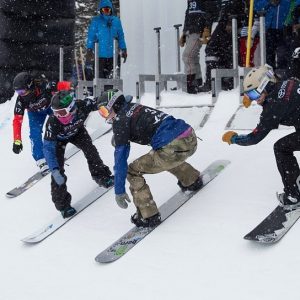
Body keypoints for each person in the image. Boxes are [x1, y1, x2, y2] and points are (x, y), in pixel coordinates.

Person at [97, 89, 203, 227]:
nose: (105, 117)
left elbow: (120, 161)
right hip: (189, 137)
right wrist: (121, 135)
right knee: (159, 156)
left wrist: (119, 190)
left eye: (105, 111)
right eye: (100, 113)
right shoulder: (134, 107)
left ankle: (148, 215)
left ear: (115, 105)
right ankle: (191, 180)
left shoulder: (120, 121)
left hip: (171, 147)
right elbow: (139, 122)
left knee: (132, 170)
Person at [222, 64, 300, 209]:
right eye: (249, 96)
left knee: (281, 148)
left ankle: (293, 195)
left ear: (264, 85)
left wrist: (234, 139)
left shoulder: (273, 107)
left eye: (254, 95)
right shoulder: (288, 81)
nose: (254, 100)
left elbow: (254, 138)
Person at [43, 90, 114, 218]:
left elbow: (101, 101)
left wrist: (118, 100)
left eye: (62, 112)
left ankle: (101, 176)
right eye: (55, 113)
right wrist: (54, 170)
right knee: (58, 172)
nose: (59, 116)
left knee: (91, 151)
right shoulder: (53, 122)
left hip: (78, 132)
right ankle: (63, 205)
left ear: (71, 108)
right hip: (59, 141)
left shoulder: (82, 106)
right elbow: (48, 148)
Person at [199, 0, 247, 92]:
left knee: (230, 50)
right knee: (211, 48)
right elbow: (210, 10)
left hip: (234, 23)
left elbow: (243, 9)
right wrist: (207, 27)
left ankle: (229, 81)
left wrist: (231, 21)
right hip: (221, 24)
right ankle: (211, 81)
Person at [12, 72, 55, 173]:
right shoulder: (21, 100)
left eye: (22, 91)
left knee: (59, 122)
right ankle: (41, 159)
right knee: (34, 134)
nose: (20, 94)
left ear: (30, 86)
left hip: (50, 107)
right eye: (18, 92)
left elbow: (61, 88)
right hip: (35, 114)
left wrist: (66, 86)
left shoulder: (43, 85)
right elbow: (17, 121)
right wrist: (17, 140)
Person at [86, 0, 127, 80]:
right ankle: (100, 92)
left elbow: (121, 36)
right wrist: (89, 49)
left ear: (111, 9)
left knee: (114, 78)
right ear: (101, 10)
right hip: (100, 56)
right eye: (105, 10)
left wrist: (124, 49)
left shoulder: (116, 21)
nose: (106, 12)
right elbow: (91, 36)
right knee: (100, 79)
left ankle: (113, 92)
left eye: (108, 10)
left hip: (114, 56)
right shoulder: (96, 21)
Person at [179, 0, 214, 94]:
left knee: (188, 56)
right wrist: (184, 31)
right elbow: (188, 13)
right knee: (193, 57)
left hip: (198, 28)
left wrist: (207, 28)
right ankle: (197, 82)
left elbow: (210, 11)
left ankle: (191, 82)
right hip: (191, 29)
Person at [254, 0, 290, 70]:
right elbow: (257, 7)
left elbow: (292, 6)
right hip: (268, 29)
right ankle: (270, 75)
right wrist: (269, 2)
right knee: (269, 56)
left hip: (285, 29)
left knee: (284, 55)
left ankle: (283, 74)